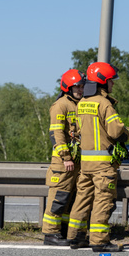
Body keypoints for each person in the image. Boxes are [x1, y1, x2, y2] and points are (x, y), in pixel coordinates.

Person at [66, 62, 129, 252]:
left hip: (86, 163)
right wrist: (127, 132)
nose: (113, 84)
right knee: (103, 200)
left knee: (82, 199)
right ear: (103, 81)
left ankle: (75, 237)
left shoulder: (83, 103)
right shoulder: (104, 103)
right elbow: (115, 131)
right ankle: (99, 240)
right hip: (103, 164)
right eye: (111, 81)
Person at [41, 69, 84, 246]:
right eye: (77, 87)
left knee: (70, 199)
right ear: (68, 88)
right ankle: (50, 234)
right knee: (59, 197)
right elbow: (56, 133)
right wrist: (65, 157)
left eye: (82, 86)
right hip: (63, 161)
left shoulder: (80, 104)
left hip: (77, 161)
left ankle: (64, 230)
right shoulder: (61, 105)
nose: (80, 90)